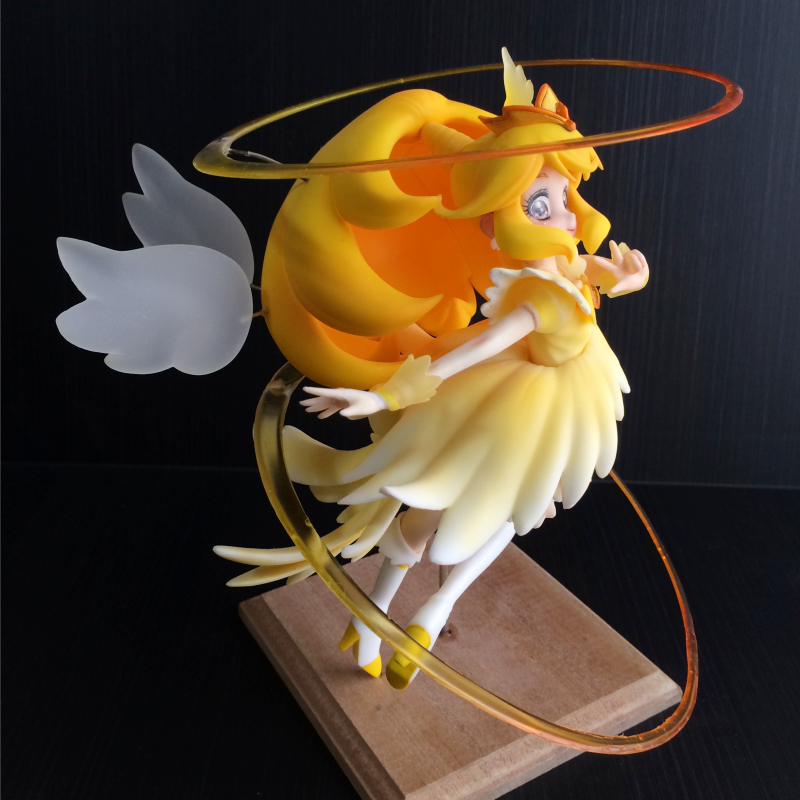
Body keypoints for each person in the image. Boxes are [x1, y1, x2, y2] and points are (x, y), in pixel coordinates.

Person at [252, 49, 649, 689]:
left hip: (550, 404)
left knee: (487, 510)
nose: (566, 214)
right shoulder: (537, 298)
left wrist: (628, 277)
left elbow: (594, 272)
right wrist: (384, 397)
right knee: (478, 510)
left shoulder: (562, 269)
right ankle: (412, 611)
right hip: (516, 409)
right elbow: (477, 350)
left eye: (561, 196)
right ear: (495, 223)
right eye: (539, 204)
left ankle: (400, 612)